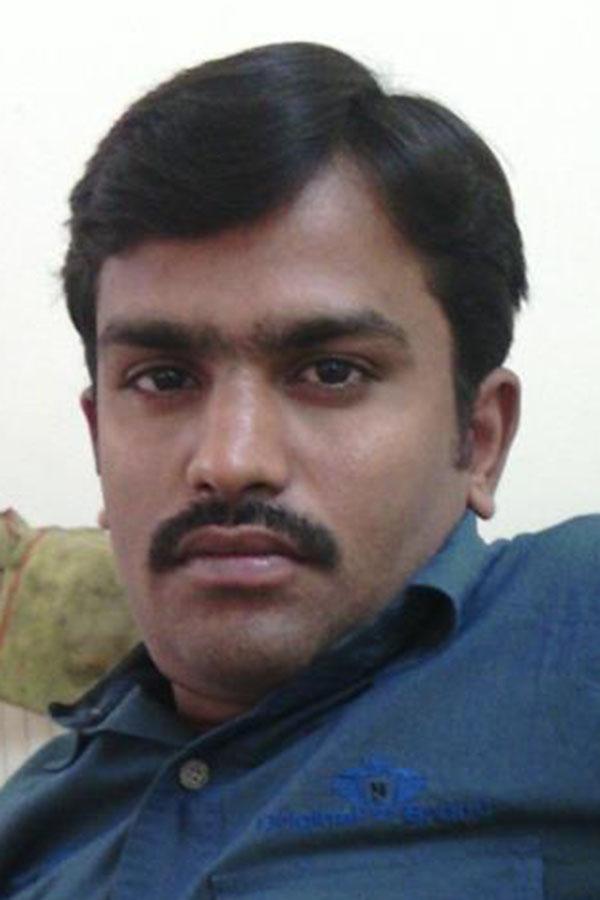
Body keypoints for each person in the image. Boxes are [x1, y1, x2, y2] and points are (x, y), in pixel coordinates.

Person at [0, 41, 598, 899]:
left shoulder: (573, 627)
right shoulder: (35, 821)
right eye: (163, 380)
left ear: (480, 435)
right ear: (100, 443)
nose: (230, 461)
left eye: (331, 371)